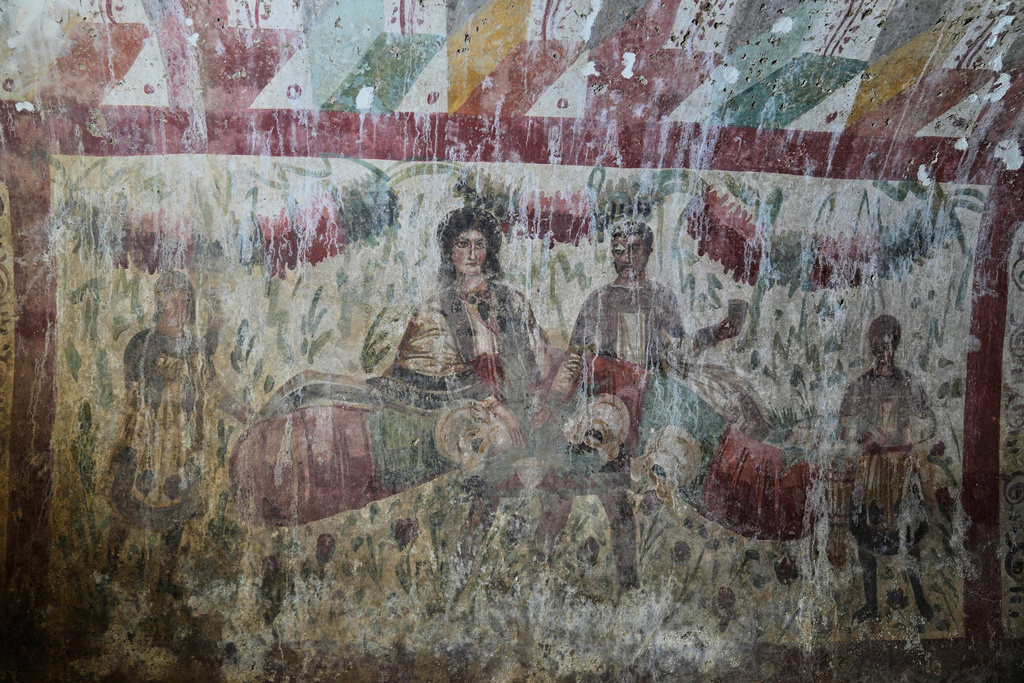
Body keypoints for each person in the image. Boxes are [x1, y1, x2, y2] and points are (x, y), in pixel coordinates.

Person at [532, 220, 746, 588]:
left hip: (636, 410)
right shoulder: (599, 299)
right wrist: (551, 403)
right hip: (598, 407)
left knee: (617, 504)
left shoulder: (659, 299)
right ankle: (535, 578)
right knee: (558, 492)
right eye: (619, 250)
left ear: (647, 252)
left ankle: (629, 587)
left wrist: (715, 334)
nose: (626, 258)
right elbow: (574, 357)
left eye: (634, 249)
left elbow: (675, 353)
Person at [369, 207, 553, 592]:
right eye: (462, 245)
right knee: (485, 478)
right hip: (470, 408)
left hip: (518, 404)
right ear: (449, 251)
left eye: (479, 245)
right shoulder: (438, 307)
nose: (471, 254)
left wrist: (535, 402)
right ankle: (460, 572)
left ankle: (526, 576)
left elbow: (536, 358)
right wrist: (498, 409)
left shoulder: (511, 299)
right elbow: (446, 375)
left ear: (490, 251)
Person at [100, 271, 250, 598]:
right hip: (146, 440)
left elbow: (210, 387)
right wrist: (165, 393)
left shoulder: (194, 348)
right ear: (160, 303)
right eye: (173, 301)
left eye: (185, 301)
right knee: (124, 506)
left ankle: (166, 580)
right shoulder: (146, 342)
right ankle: (108, 567)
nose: (180, 307)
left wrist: (242, 412)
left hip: (181, 444)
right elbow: (134, 388)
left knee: (178, 513)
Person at [837, 314, 936, 622]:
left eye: (887, 344)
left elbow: (930, 422)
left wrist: (907, 434)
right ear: (871, 347)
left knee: (910, 537)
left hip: (901, 470)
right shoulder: (861, 385)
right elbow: (844, 428)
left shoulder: (908, 383)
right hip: (871, 472)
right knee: (864, 537)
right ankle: (871, 603)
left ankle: (920, 596)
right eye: (876, 345)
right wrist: (862, 434)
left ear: (895, 345)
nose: (882, 351)